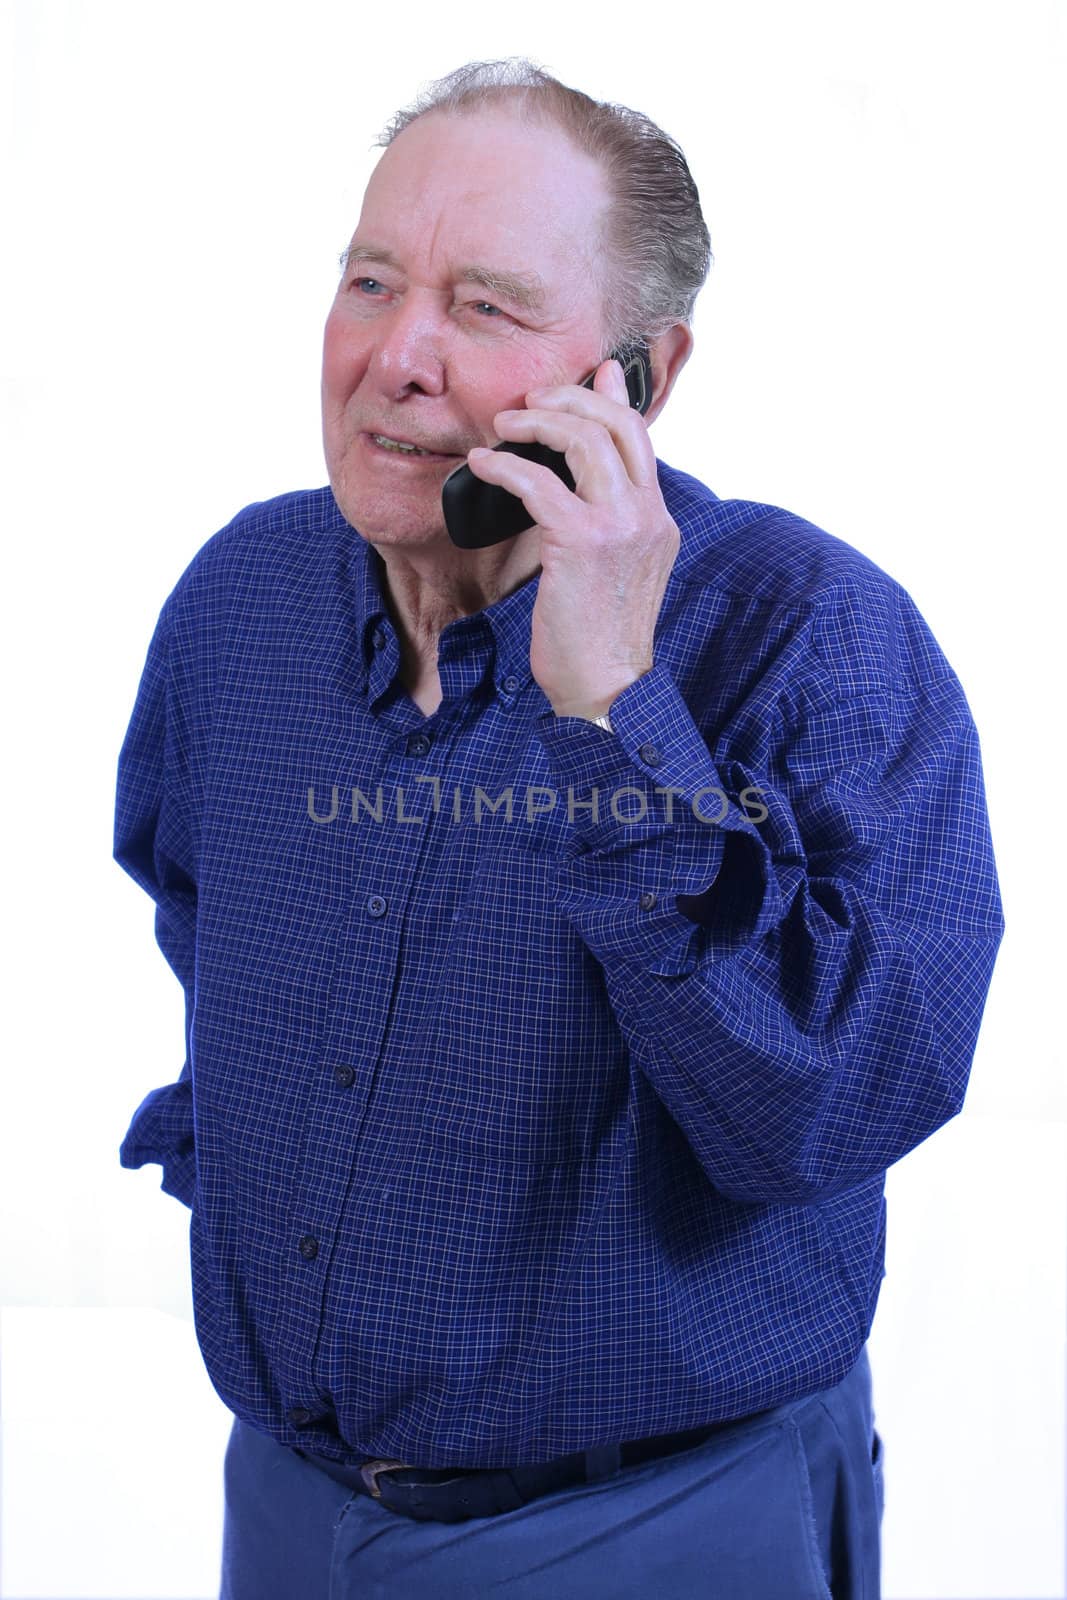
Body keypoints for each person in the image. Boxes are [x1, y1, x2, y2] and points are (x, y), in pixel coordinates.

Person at [113, 59, 1004, 1600]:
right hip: (289, 1510)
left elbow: (828, 1111)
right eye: (371, 278)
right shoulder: (240, 603)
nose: (397, 355)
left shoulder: (812, 638)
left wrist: (613, 716)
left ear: (639, 381)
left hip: (649, 1526)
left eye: (487, 307)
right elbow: (202, 922)